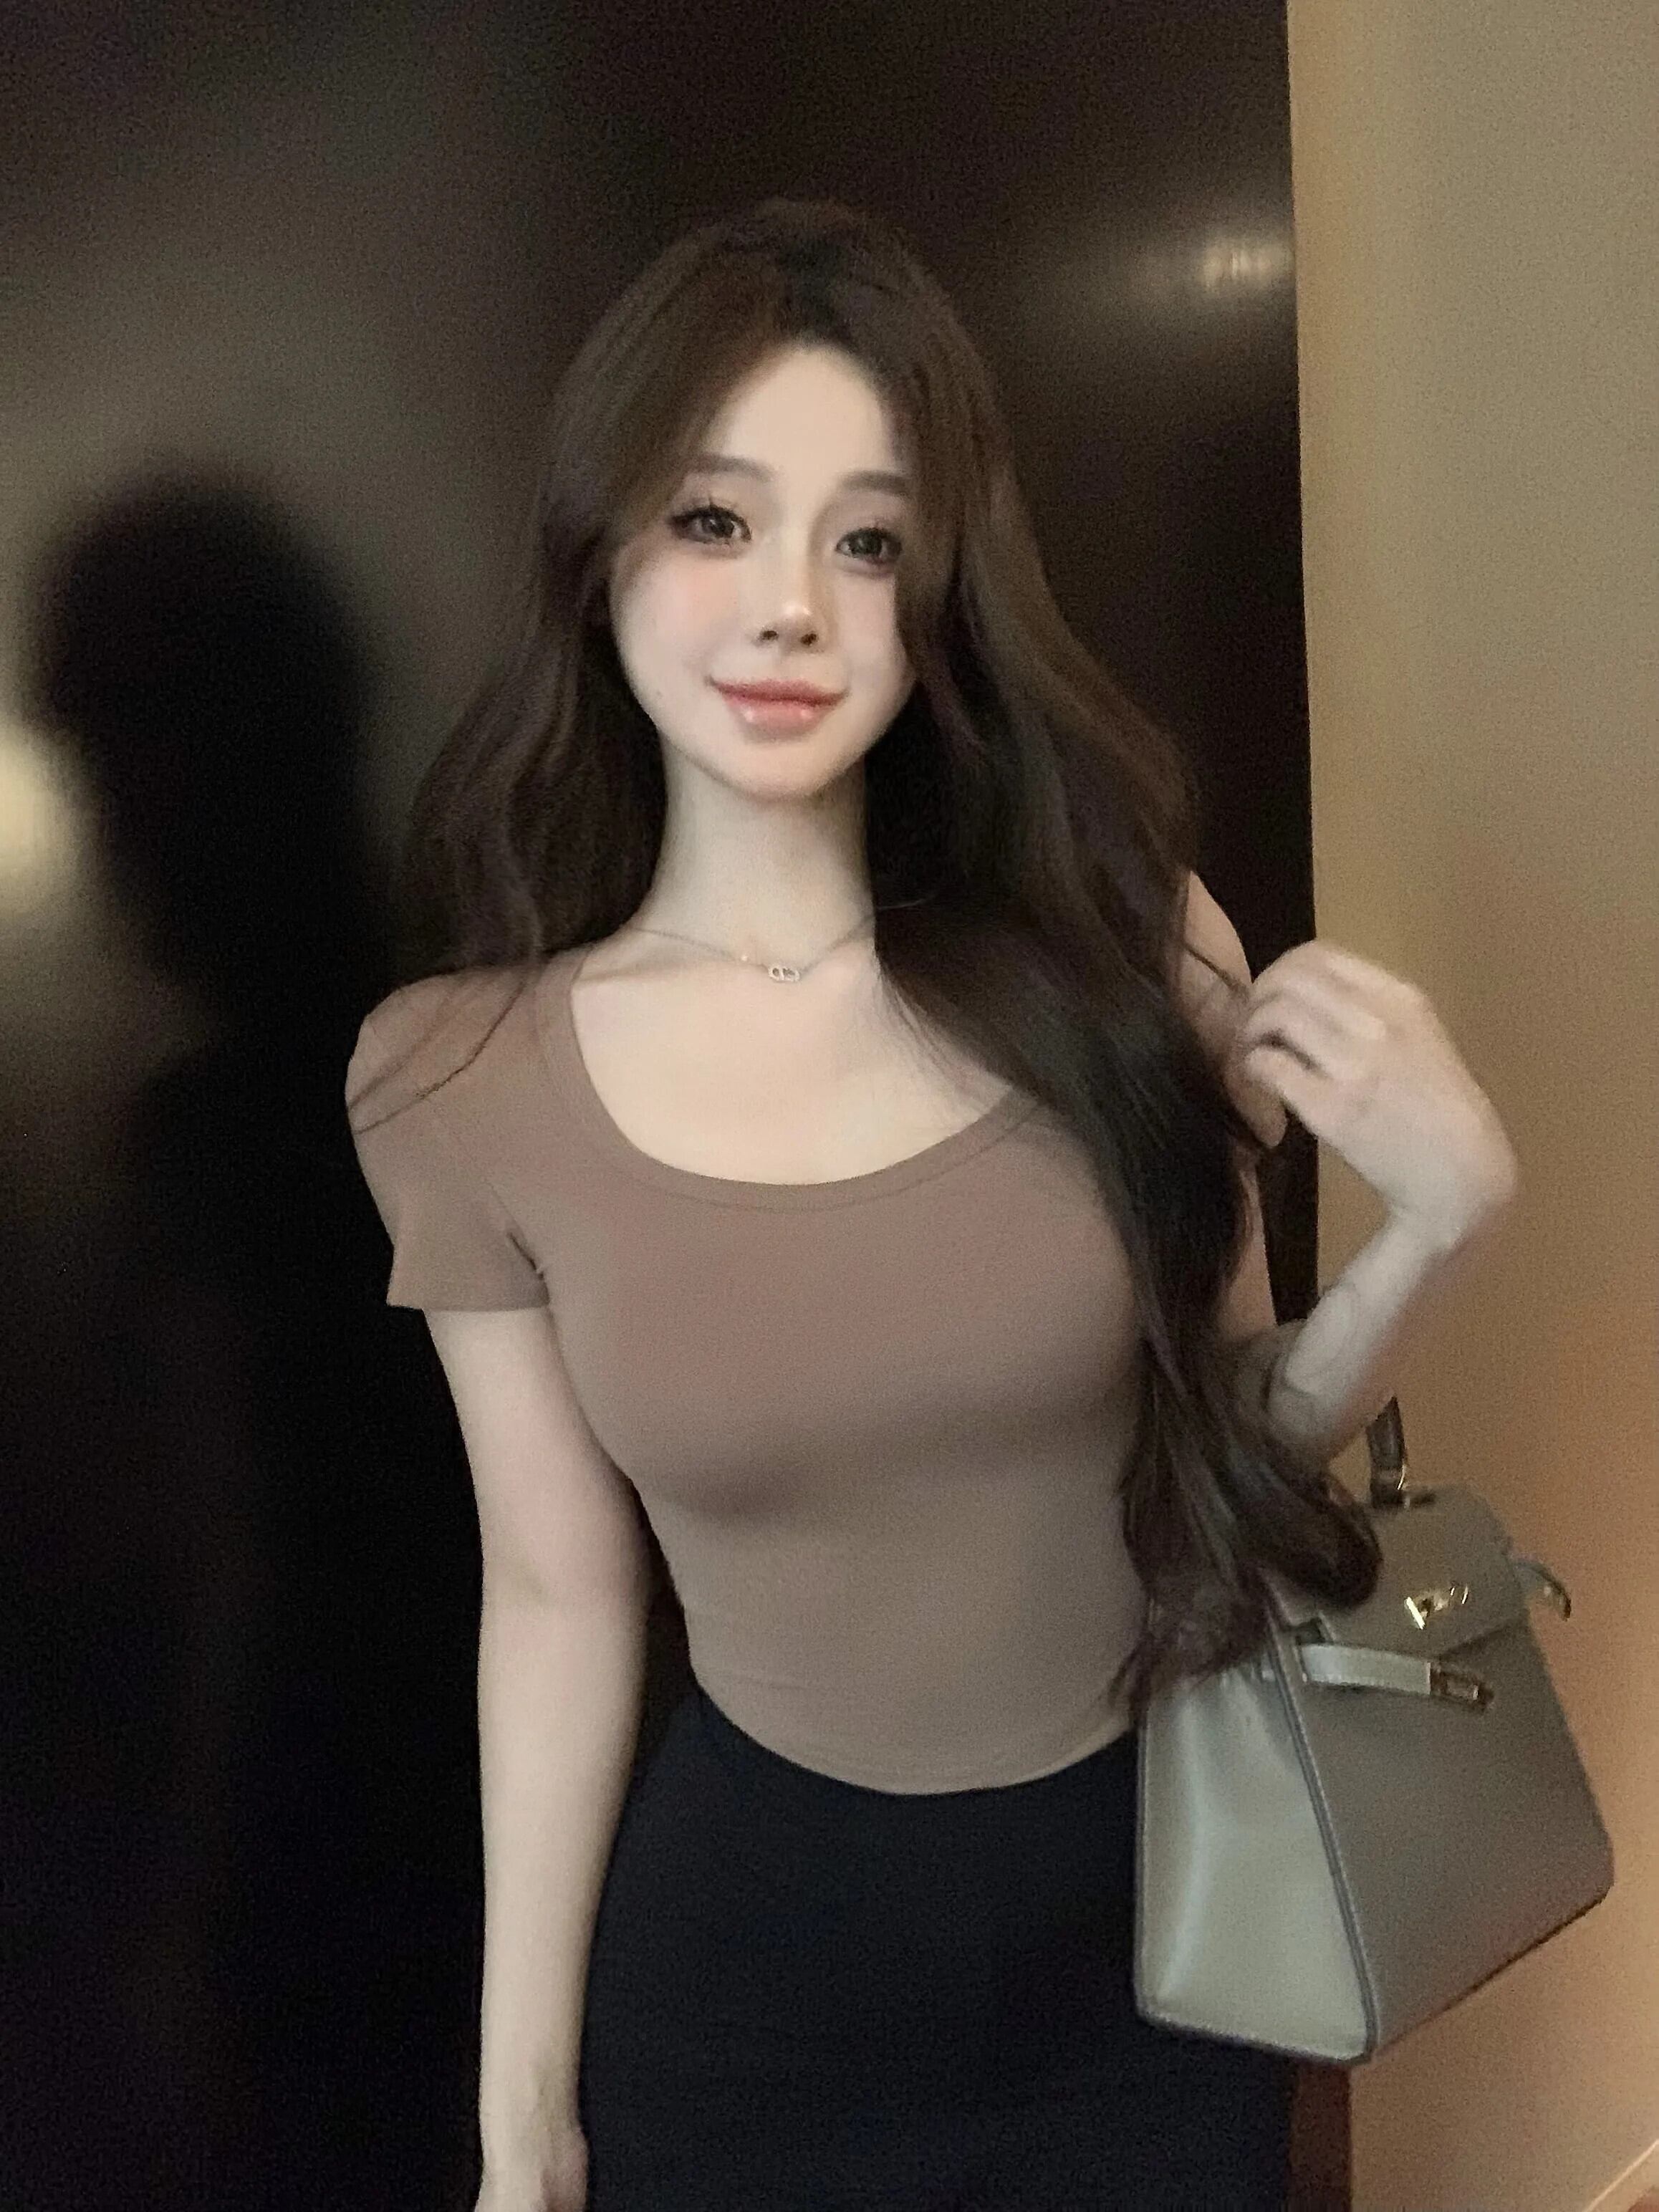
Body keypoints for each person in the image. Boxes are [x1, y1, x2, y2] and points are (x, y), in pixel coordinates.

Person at [345, 197, 1383, 2211]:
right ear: (604, 551)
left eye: (871, 542)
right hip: (750, 1988)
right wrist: (516, 2114)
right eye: (715, 519)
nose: (792, 610)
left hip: (1167, 1932)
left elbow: (1242, 1463)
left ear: (942, 596)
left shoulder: (1139, 956)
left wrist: (1430, 1231)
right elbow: (555, 1595)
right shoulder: (457, 1078)